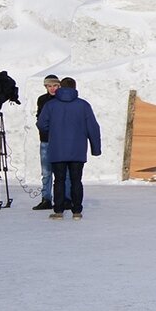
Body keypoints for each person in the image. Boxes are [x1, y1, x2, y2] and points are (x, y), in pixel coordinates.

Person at [35, 77, 100, 220]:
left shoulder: (51, 105)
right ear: (74, 87)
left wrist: (52, 131)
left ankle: (58, 211)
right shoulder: (83, 105)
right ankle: (76, 211)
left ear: (60, 87)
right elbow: (93, 128)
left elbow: (41, 124)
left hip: (57, 149)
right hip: (77, 150)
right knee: (76, 180)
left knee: (59, 180)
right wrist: (96, 149)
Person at [33, 75, 69, 210]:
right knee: (46, 172)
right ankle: (46, 198)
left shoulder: (64, 99)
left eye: (55, 86)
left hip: (61, 141)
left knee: (64, 173)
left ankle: (66, 198)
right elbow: (40, 118)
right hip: (46, 140)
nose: (52, 89)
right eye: (49, 86)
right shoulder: (42, 100)